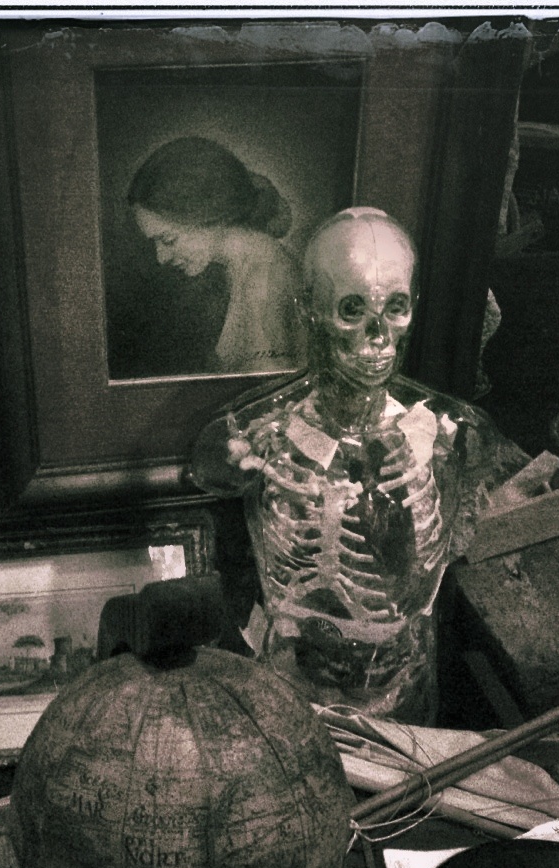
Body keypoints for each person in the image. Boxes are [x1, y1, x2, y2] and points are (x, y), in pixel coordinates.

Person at [192, 205, 520, 717]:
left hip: (403, 686)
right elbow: (209, 468)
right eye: (352, 310)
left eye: (395, 309)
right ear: (309, 309)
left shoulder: (454, 430)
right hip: (292, 686)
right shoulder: (258, 434)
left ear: (412, 307)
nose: (378, 336)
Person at [128, 137, 302, 373]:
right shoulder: (244, 268)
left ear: (208, 214)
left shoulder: (262, 281)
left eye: (168, 240)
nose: (161, 258)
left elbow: (268, 388)